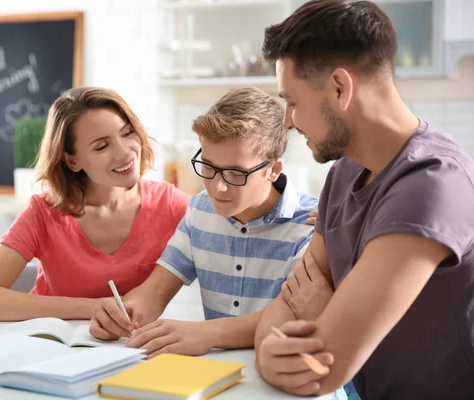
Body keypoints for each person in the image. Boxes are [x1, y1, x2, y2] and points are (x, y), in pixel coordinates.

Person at [254, 1, 474, 399]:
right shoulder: (344, 172)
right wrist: (269, 345)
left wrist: (297, 334)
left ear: (340, 88)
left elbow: (322, 366)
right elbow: (287, 303)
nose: (288, 121)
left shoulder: (431, 183)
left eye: (292, 102)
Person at [89, 86, 320, 364]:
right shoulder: (200, 209)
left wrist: (206, 334)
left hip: (286, 372)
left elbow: (293, 313)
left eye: (236, 173)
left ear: (273, 169)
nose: (217, 186)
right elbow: (156, 290)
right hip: (217, 375)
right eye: (208, 167)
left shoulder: (314, 224)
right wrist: (123, 313)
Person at [0, 87, 189, 321]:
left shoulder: (169, 204)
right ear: (72, 160)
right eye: (102, 146)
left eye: (128, 133)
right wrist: (93, 309)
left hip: (130, 350)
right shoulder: (43, 213)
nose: (124, 153)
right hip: (55, 346)